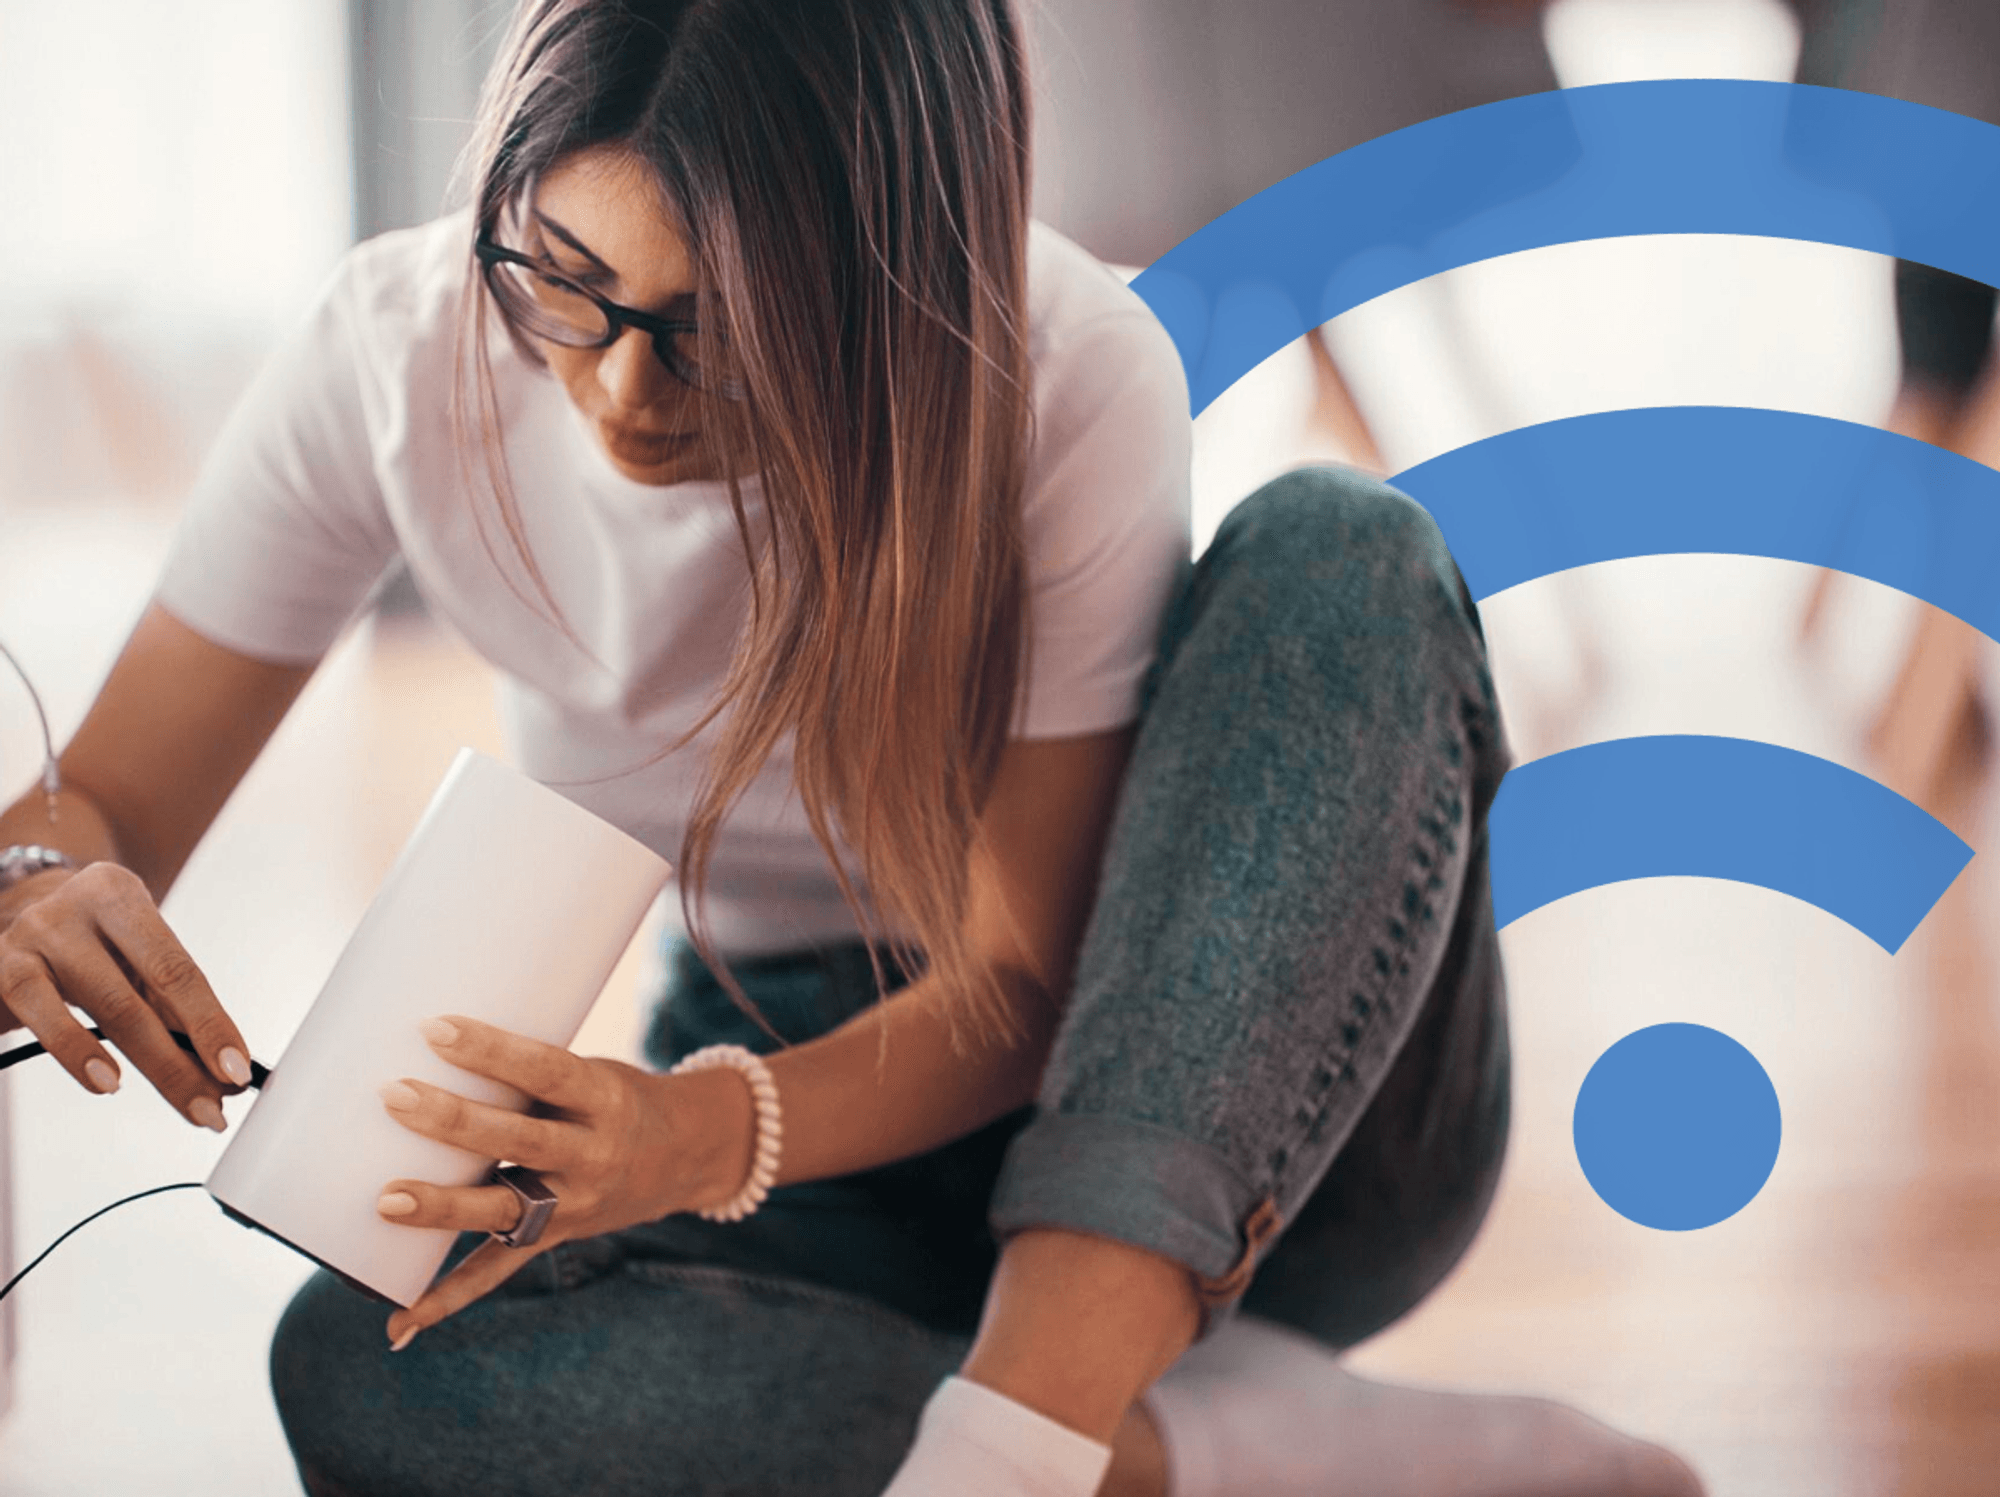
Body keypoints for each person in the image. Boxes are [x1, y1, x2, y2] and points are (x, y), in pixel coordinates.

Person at [0, 2, 1704, 1494]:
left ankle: (1025, 1438)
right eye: (566, 287)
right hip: (801, 1104)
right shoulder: (396, 351)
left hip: (1236, 1089)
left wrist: (692, 1137)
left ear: (897, 275)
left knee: (1346, 545)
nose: (618, 395)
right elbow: (109, 799)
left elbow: (1024, 983)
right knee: (357, 1366)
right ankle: (1210, 1452)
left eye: (718, 324)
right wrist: (39, 877)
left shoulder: (1061, 368)